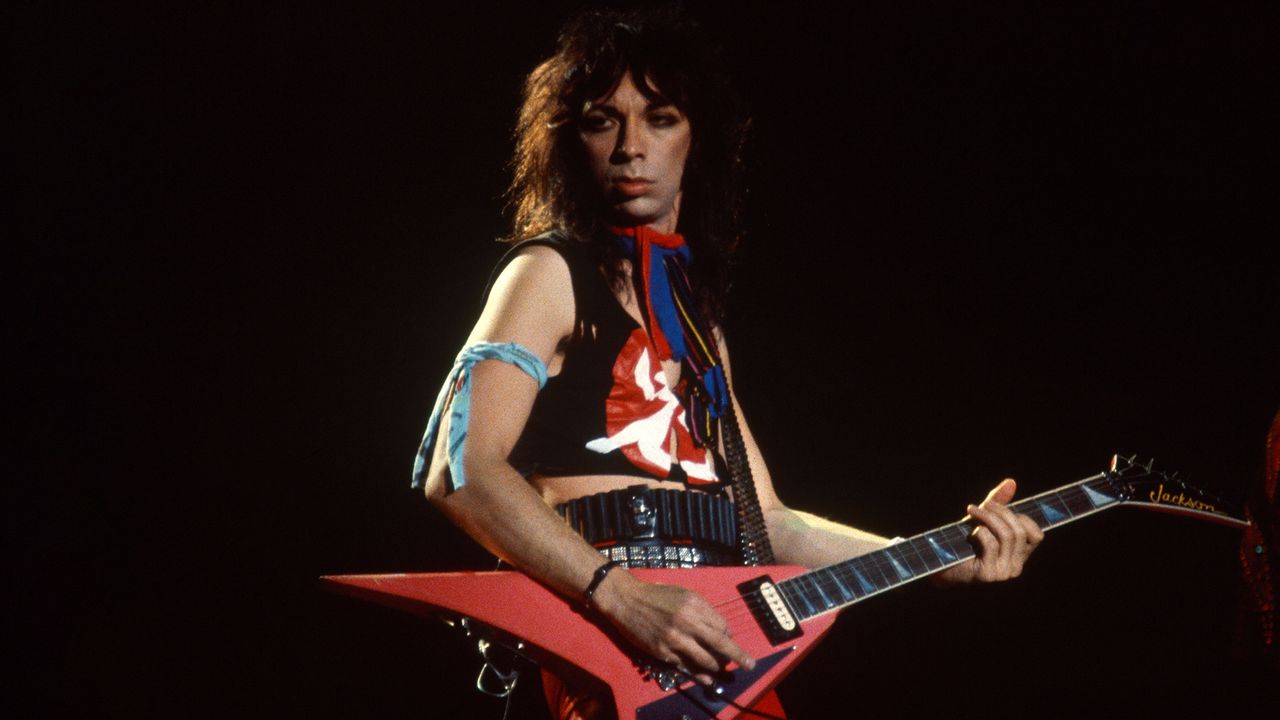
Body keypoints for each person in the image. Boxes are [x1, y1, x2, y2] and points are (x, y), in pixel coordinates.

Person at [412, 7, 1043, 718]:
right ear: (569, 141)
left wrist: (935, 559)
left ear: (697, 138)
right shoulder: (546, 274)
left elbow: (770, 523)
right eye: (601, 122)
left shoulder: (695, 320)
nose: (630, 147)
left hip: (719, 651)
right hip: (617, 649)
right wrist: (621, 595)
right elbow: (459, 472)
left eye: (660, 118)